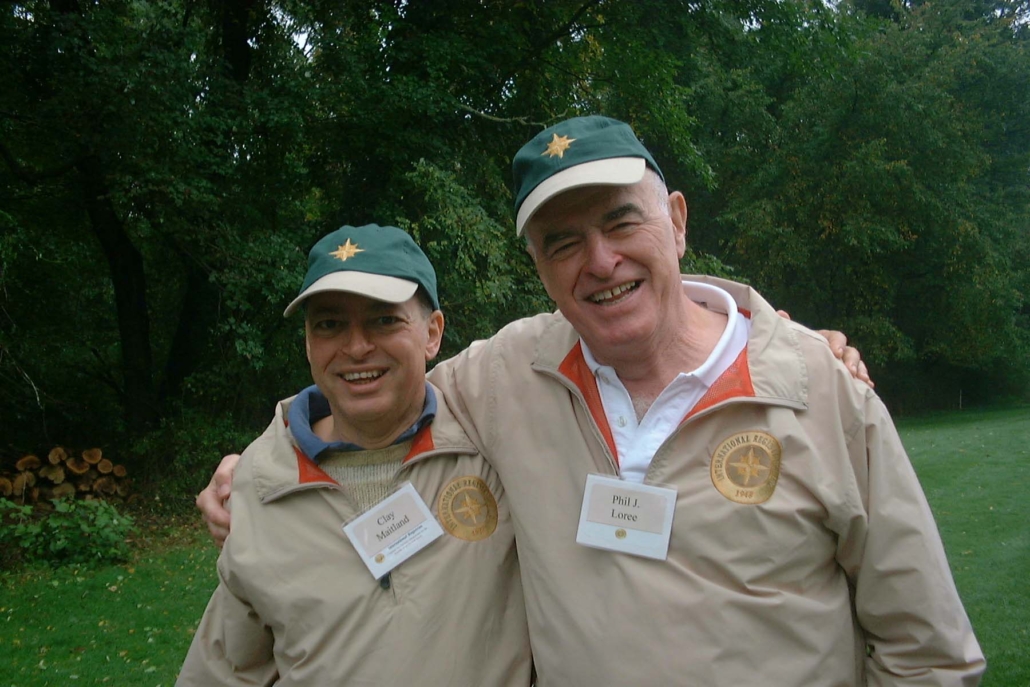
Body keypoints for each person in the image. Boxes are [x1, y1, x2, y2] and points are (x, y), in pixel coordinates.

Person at [199, 116, 984, 685]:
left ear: (677, 221)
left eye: (620, 220)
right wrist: (263, 464)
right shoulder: (510, 374)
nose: (600, 260)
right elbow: (375, 382)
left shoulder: (814, 385)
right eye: (563, 242)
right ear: (540, 266)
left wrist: (817, 347)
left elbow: (927, 651)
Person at [176, 224, 531, 686]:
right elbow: (227, 669)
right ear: (308, 343)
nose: (357, 347)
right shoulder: (260, 488)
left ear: (432, 333)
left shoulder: (493, 440)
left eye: (384, 320)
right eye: (330, 325)